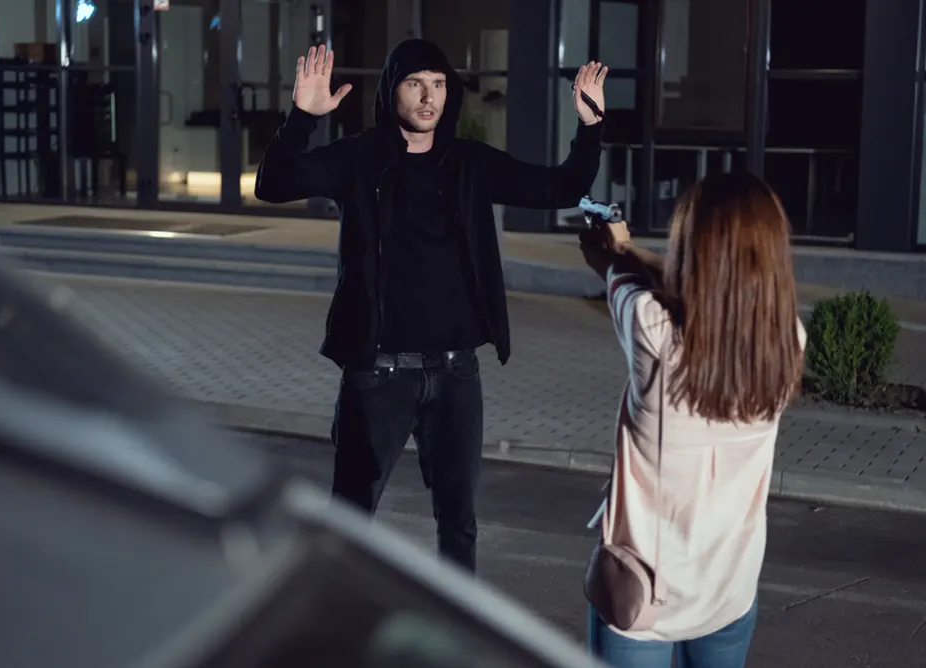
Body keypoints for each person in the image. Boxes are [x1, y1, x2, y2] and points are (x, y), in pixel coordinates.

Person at [255, 39, 608, 572]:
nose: (429, 97)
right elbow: (273, 184)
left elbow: (563, 185)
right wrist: (302, 117)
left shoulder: (468, 163)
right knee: (350, 518)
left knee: (459, 522)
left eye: (439, 85)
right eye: (415, 84)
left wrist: (590, 126)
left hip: (455, 375)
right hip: (378, 375)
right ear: (392, 89)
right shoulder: (359, 157)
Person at [577, 171, 807, 667]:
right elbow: (707, 299)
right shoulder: (788, 340)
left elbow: (613, 271)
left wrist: (616, 248)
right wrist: (630, 253)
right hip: (729, 593)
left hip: (644, 599)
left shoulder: (651, 327)